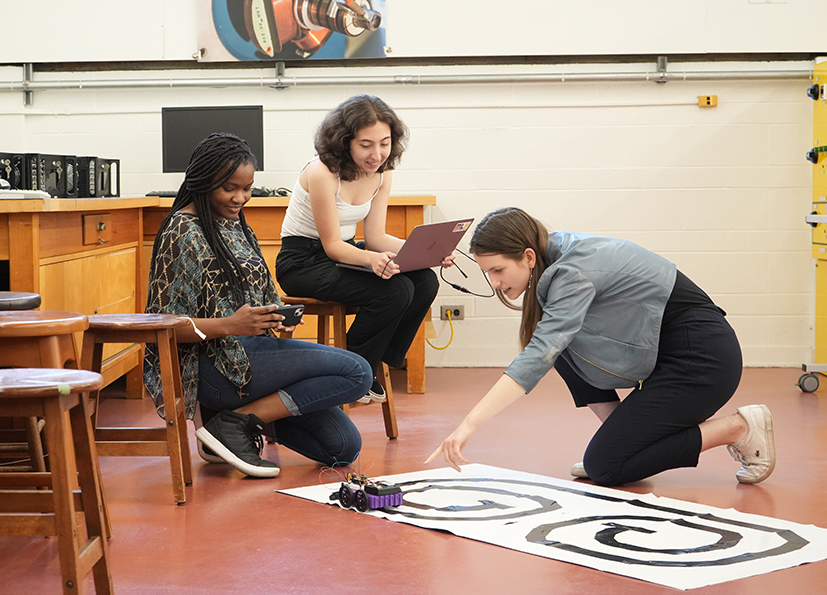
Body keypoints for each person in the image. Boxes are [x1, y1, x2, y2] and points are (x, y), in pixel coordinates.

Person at [425, 207, 776, 487]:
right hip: (671, 350)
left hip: (702, 360)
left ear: (528, 257)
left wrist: (468, 425)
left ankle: (739, 428)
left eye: (498, 270)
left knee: (605, 466)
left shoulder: (571, 271)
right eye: (487, 273)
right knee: (563, 349)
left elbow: (538, 354)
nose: (495, 282)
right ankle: (620, 441)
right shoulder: (554, 251)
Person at [145, 132, 372, 478]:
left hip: (252, 354)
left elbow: (259, 291)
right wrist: (230, 326)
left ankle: (231, 425)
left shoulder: (236, 224)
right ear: (203, 182)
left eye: (247, 188)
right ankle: (233, 423)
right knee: (358, 372)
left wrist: (277, 314)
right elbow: (164, 324)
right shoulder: (182, 231)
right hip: (217, 368)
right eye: (230, 188)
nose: (240, 197)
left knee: (342, 447)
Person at [276, 94, 451, 402]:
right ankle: (355, 367)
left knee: (424, 280)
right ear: (345, 141)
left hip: (344, 253)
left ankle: (374, 364)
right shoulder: (322, 172)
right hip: (303, 261)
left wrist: (428, 252)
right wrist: (374, 260)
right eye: (366, 145)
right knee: (394, 291)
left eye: (384, 143)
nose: (377, 154)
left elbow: (376, 238)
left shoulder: (383, 173)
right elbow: (332, 247)